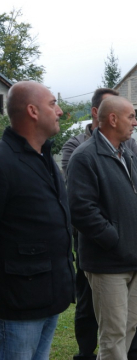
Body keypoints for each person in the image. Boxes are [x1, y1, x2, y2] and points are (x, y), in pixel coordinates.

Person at [62, 88, 137, 360]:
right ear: (112, 119)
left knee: (127, 328)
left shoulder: (126, 154)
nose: (136, 122)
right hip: (107, 262)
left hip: (136, 258)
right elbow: (81, 209)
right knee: (113, 335)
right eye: (131, 117)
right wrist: (114, 239)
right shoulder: (84, 156)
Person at [0, 81, 75, 359]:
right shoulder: (4, 160)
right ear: (32, 111)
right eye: (53, 104)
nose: (60, 111)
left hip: (48, 295)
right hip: (17, 303)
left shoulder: (44, 157)